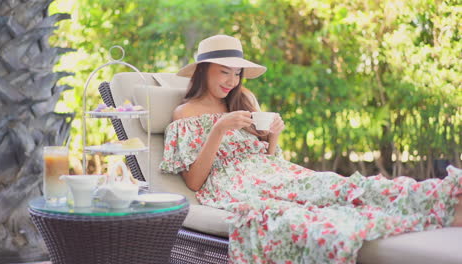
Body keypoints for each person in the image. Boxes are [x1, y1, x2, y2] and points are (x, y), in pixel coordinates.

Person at [160, 35, 462, 263]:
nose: (232, 80)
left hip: (275, 172)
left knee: (339, 184)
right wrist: (219, 129)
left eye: (237, 73)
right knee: (322, 202)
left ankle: (446, 199)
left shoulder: (245, 99)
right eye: (225, 72)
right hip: (236, 186)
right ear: (203, 70)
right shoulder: (186, 114)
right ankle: (437, 208)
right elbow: (194, 182)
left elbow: (267, 157)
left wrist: (274, 135)